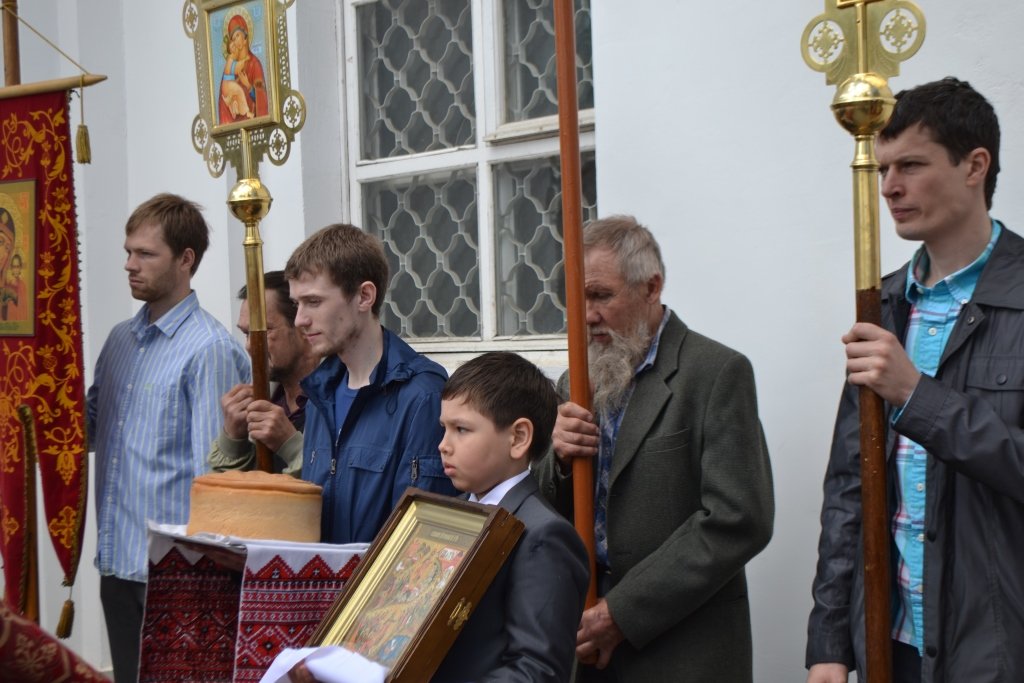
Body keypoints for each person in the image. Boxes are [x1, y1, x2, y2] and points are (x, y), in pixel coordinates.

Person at [806, 78, 1024, 683]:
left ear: (974, 165)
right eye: (882, 169)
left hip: (996, 650)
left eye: (911, 166)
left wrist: (916, 395)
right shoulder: (885, 302)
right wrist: (829, 643)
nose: (889, 188)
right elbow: (849, 486)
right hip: (890, 642)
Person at [534, 215, 775, 682]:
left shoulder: (714, 373)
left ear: (651, 287)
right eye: (576, 298)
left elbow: (739, 519)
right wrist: (558, 460)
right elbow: (550, 510)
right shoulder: (576, 380)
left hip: (682, 650)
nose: (586, 315)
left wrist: (621, 613)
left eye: (601, 296)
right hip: (587, 645)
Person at [86, 193, 249, 683]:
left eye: (145, 254)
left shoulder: (209, 349)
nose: (129, 265)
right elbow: (87, 429)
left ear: (185, 260)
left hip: (177, 575)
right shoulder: (119, 340)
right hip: (117, 561)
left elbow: (214, 476)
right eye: (128, 252)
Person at [284, 223, 457, 544]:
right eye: (297, 304)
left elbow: (422, 538)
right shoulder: (321, 393)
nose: (300, 320)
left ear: (364, 296)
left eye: (314, 302)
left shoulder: (421, 395)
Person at [433, 351, 590, 682]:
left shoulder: (543, 536)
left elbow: (537, 670)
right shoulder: (449, 516)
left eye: (461, 429)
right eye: (443, 428)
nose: (443, 445)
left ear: (518, 438)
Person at [208, 270, 320, 475]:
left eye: (264, 331)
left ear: (303, 327)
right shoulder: (264, 401)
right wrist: (233, 440)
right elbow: (235, 491)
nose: (250, 346)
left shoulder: (336, 401)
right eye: (246, 334)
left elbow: (339, 485)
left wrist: (290, 444)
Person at [218, 13, 268, 124]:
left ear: (245, 37)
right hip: (234, 126)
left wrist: (249, 86)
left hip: (252, 123)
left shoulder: (255, 64)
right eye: (233, 38)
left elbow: (262, 99)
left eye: (237, 36)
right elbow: (223, 103)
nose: (235, 40)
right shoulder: (230, 66)